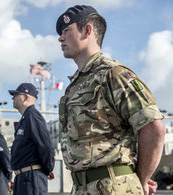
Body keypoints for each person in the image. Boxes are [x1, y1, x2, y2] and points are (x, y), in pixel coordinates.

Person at [56, 5, 166, 195]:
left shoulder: (113, 74)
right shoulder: (75, 85)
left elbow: (153, 128)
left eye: (66, 30)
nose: (60, 38)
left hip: (114, 187)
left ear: (87, 30)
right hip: (82, 187)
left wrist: (140, 180)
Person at [8, 83, 55, 195]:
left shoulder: (33, 116)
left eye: (16, 95)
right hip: (23, 178)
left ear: (26, 97)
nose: (12, 98)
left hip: (32, 178)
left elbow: (46, 145)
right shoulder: (25, 118)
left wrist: (48, 169)